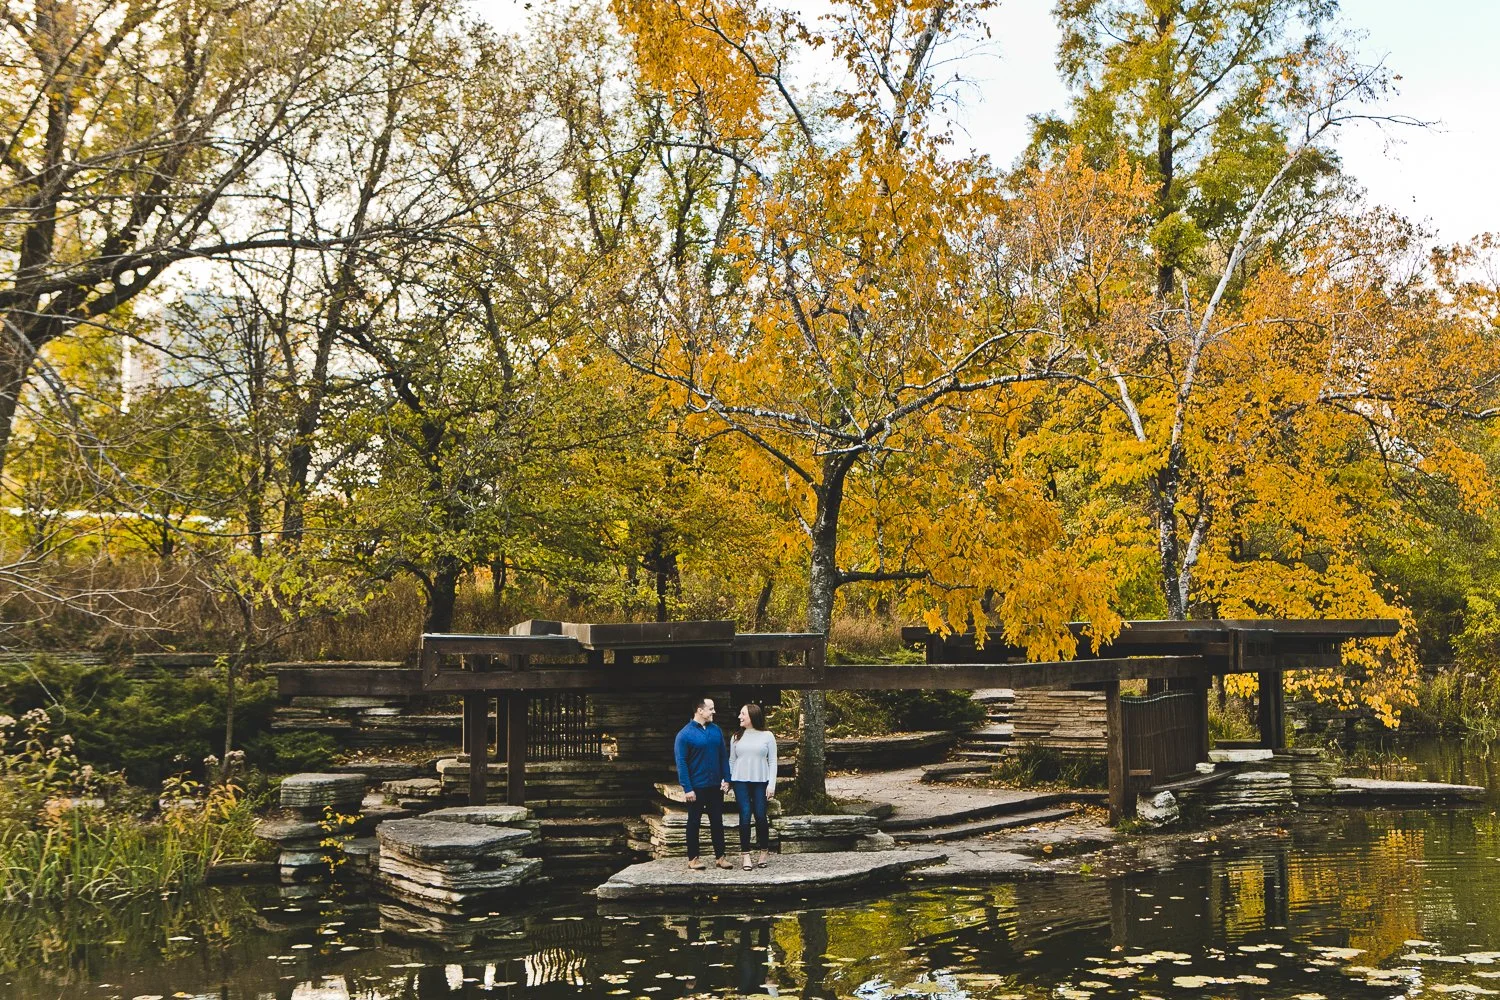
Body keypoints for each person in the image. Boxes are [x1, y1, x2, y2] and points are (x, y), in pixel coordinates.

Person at [674, 696, 731, 870]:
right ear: (700, 710)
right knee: (694, 822)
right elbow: (681, 762)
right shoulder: (684, 735)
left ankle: (720, 857)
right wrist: (687, 788)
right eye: (711, 709)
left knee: (717, 821)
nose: (714, 712)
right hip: (696, 787)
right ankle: (693, 859)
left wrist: (727, 779)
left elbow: (723, 756)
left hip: (715, 785)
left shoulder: (716, 731)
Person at [729, 702, 777, 870]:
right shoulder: (736, 737)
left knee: (760, 816)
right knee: (744, 815)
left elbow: (772, 761)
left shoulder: (768, 736)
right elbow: (732, 761)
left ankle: (764, 851)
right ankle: (746, 855)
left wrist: (771, 785)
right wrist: (728, 781)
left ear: (752, 716)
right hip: (740, 781)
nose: (739, 717)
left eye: (743, 714)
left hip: (761, 781)